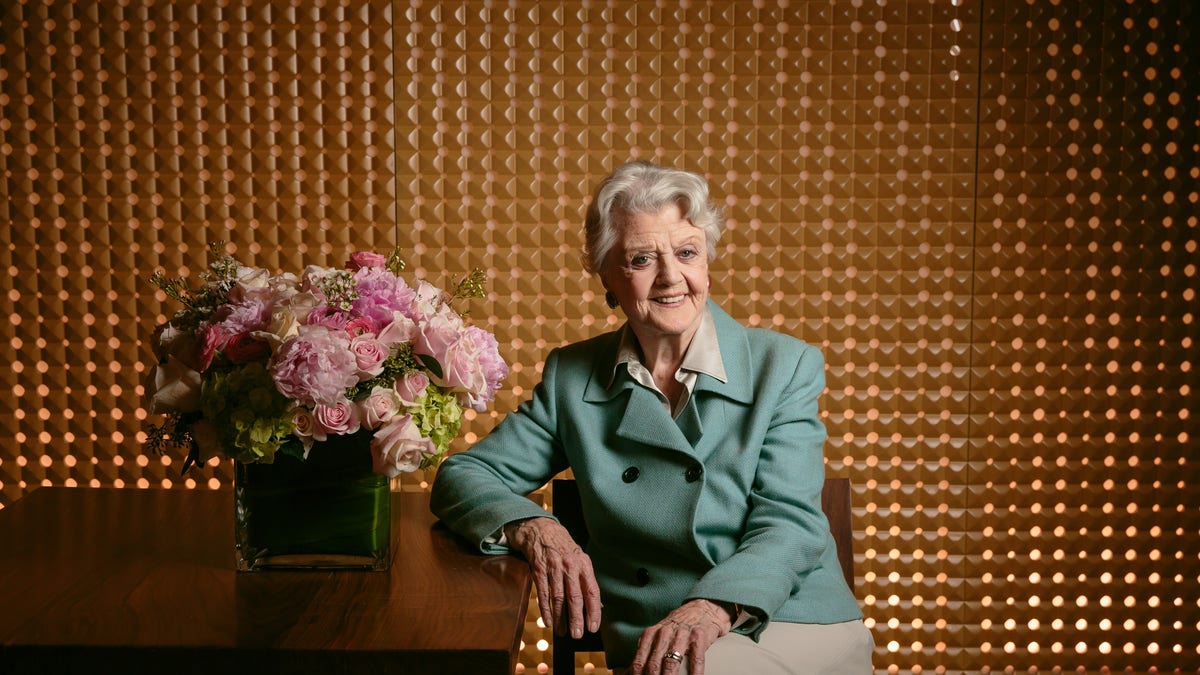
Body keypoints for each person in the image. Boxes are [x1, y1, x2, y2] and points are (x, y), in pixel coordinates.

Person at [431, 161, 872, 674]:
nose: (671, 277)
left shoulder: (784, 365)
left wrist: (710, 608)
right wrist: (537, 529)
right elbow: (463, 475)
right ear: (607, 278)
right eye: (642, 259)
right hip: (659, 644)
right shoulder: (572, 377)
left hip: (789, 618)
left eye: (686, 253)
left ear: (706, 261)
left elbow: (790, 525)